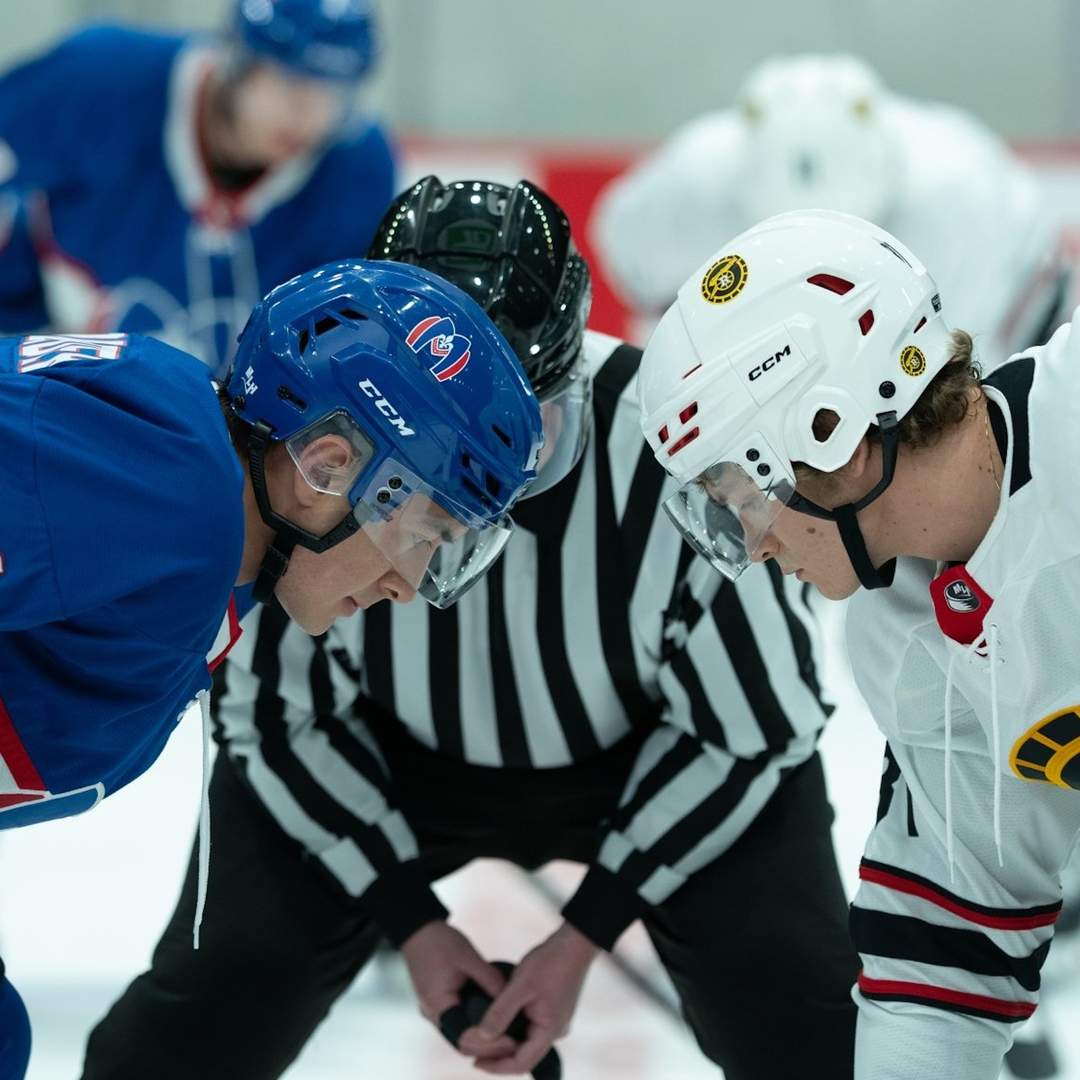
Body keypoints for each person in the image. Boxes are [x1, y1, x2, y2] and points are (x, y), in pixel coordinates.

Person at [78, 176, 858, 1080]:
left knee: (802, 1012)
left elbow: (755, 723)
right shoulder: (312, 465)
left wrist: (584, 934)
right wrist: (411, 920)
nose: (490, 490)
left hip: (649, 758)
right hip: (388, 756)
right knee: (200, 1017)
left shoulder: (668, 437)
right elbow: (280, 714)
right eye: (439, 458)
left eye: (529, 435)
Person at [0, 257, 544, 1077]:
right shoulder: (169, 495)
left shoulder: (218, 536)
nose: (405, 583)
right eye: (422, 534)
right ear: (326, 466)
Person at [636, 207, 1080, 1079]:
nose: (752, 544)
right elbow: (948, 963)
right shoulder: (907, 636)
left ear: (827, 431)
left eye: (738, 488)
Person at [591, 53, 1071, 365]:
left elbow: (961, 373)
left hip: (1029, 299)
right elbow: (637, 284)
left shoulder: (965, 199)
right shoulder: (687, 189)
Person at [0, 0, 395, 374]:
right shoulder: (98, 79)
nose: (311, 117)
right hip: (49, 370)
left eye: (334, 94)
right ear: (237, 59)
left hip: (216, 427)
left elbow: (341, 346)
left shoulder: (357, 169)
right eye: (291, 84)